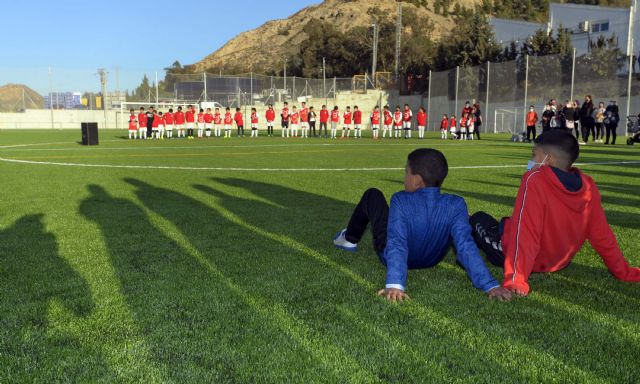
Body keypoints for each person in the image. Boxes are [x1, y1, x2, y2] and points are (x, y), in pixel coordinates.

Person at [470, 130, 640, 296]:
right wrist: (624, 273)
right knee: (506, 222)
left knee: (477, 219)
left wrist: (515, 279)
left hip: (522, 257)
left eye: (534, 154)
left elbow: (525, 233)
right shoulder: (588, 185)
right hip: (559, 262)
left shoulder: (534, 179)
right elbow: (602, 236)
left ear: (548, 159)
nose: (531, 160)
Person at [332, 148, 512, 302]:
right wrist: (490, 285)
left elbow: (397, 242)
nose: (404, 177)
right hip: (431, 260)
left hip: (394, 257)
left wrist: (395, 284)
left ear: (417, 180)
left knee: (373, 195)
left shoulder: (400, 199)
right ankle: (349, 238)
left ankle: (349, 239)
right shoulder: (457, 203)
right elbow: (465, 245)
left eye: (406, 172)